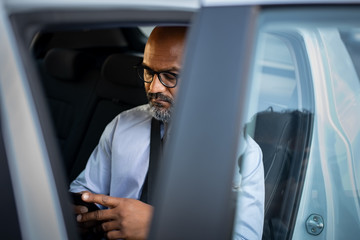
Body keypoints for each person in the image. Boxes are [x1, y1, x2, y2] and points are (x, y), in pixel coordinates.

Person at [70, 26, 264, 240]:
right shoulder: (122, 124)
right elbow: (87, 188)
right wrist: (79, 211)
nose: (154, 88)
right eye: (148, 72)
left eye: (170, 76)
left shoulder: (241, 153)